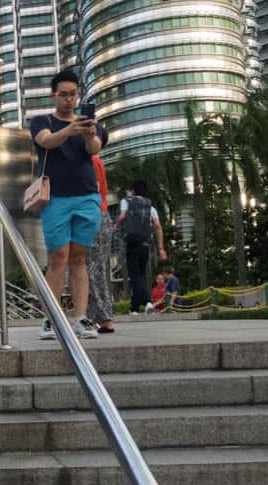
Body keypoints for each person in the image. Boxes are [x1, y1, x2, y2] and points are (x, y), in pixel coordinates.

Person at [29, 70, 106, 341]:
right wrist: (70, 129)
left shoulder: (90, 123)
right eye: (64, 94)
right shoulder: (42, 121)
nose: (69, 99)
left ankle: (81, 318)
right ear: (54, 95)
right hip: (56, 198)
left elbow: (94, 149)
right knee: (58, 257)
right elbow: (46, 141)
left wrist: (87, 134)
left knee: (79, 257)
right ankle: (50, 318)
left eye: (73, 94)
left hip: (86, 197)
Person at [116, 180, 166, 315]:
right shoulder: (151, 206)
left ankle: (148, 302)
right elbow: (158, 226)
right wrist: (161, 249)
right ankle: (134, 308)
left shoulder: (126, 201)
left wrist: (115, 228)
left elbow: (122, 216)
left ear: (132, 190)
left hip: (132, 243)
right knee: (140, 275)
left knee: (135, 275)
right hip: (145, 245)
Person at [88, 151, 115, 333]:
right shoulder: (94, 161)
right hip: (97, 215)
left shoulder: (91, 161)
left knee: (93, 269)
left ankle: (103, 317)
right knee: (93, 269)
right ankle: (96, 317)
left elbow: (94, 189)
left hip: (93, 216)